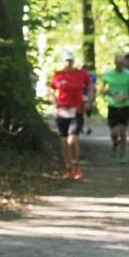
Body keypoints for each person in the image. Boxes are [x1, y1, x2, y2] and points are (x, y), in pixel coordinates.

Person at [49, 49, 91, 180]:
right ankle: (68, 167)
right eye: (66, 61)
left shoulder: (81, 74)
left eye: (71, 61)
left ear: (74, 62)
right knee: (63, 141)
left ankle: (76, 165)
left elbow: (90, 86)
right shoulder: (58, 75)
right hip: (62, 111)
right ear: (63, 62)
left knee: (72, 139)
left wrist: (88, 100)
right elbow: (51, 89)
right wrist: (54, 101)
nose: (69, 63)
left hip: (76, 110)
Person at [101, 54, 129, 163]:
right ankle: (114, 143)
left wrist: (128, 96)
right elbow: (102, 89)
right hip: (112, 106)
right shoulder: (108, 75)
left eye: (122, 63)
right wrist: (108, 93)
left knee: (122, 132)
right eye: (118, 63)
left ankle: (123, 154)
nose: (120, 65)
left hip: (125, 106)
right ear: (115, 63)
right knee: (114, 133)